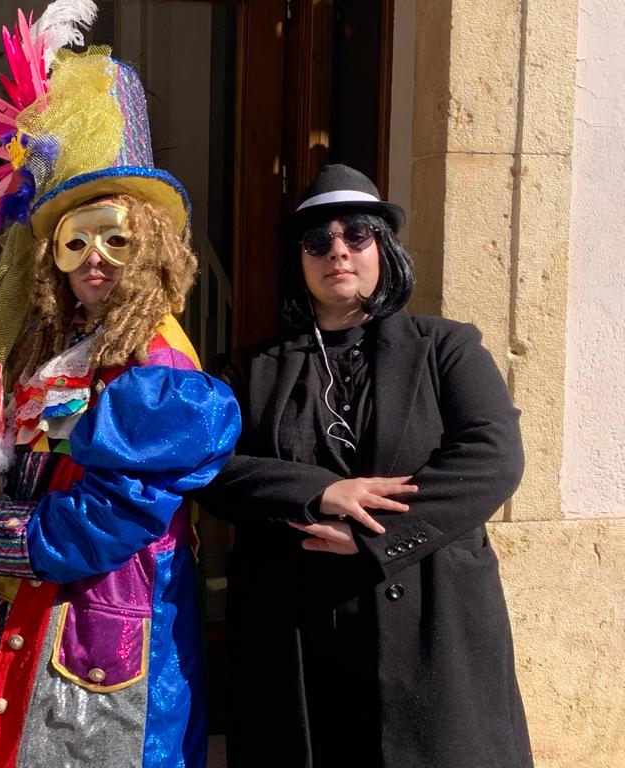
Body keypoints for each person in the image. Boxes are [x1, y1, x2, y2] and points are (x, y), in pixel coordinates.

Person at [0, 6, 241, 767]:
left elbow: (121, 510)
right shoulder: (54, 347)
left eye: (117, 239)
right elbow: (28, 459)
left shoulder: (157, 364)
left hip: (105, 630)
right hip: (39, 614)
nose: (96, 259)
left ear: (149, 247)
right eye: (76, 241)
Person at [194, 164, 533, 768]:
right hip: (296, 633)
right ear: (298, 261)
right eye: (318, 242)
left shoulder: (447, 347)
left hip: (431, 620)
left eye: (357, 236)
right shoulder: (249, 370)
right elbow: (208, 466)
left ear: (384, 248)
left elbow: (492, 456)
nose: (338, 252)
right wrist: (324, 492)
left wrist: (374, 535)